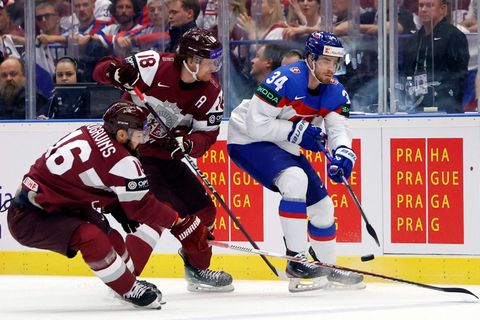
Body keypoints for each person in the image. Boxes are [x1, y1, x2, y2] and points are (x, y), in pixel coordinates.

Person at [7, 100, 215, 309]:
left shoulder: (91, 130)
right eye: (139, 134)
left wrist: (114, 203)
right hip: (32, 217)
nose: (143, 139)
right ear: (122, 135)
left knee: (111, 238)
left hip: (59, 203)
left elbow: (87, 175)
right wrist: (180, 222)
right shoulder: (124, 161)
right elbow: (142, 207)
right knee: (91, 237)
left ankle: (126, 277)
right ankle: (128, 288)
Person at [92, 28, 233, 292]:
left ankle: (197, 270)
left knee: (205, 213)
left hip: (166, 157)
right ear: (191, 60)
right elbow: (100, 68)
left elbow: (207, 134)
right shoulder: (154, 65)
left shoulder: (212, 92)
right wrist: (115, 72)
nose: (214, 68)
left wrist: (189, 144)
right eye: (210, 61)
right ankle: (126, 282)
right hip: (132, 153)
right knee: (157, 213)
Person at [227, 31, 365, 292]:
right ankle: (297, 261)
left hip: (283, 143)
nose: (331, 68)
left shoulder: (335, 90)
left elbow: (338, 130)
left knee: (323, 207)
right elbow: (256, 126)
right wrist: (298, 133)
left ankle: (326, 268)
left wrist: (344, 154)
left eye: (335, 63)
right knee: (294, 179)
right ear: (310, 58)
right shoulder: (285, 79)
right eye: (325, 61)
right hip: (247, 139)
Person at [402, 0, 469, 113]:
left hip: (444, 104)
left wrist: (442, 92)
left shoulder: (454, 36)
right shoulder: (413, 40)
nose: (423, 9)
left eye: (429, 5)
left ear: (443, 9)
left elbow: (459, 75)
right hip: (415, 101)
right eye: (421, 5)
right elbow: (406, 72)